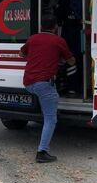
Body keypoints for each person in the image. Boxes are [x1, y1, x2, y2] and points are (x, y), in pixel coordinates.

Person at [20, 14, 75, 163]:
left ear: (41, 26)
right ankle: (42, 152)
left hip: (28, 82)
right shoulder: (58, 41)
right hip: (44, 84)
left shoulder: (32, 39)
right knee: (50, 119)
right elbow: (71, 61)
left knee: (46, 107)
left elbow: (21, 53)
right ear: (55, 26)